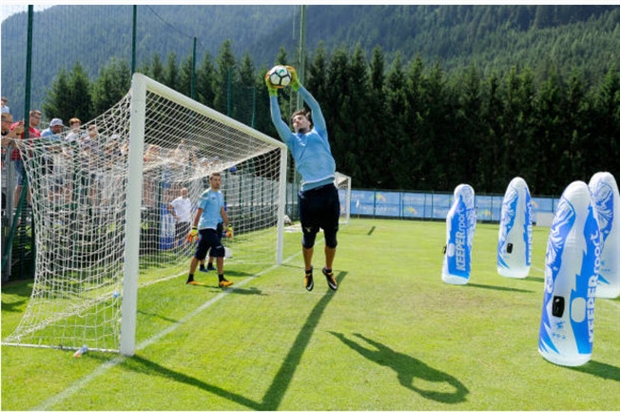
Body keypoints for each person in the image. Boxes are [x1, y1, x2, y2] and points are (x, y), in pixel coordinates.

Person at [266, 65, 339, 292]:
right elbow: (277, 120)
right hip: (308, 195)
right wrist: (272, 93)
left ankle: (328, 269)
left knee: (331, 239)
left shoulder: (320, 132)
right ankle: (308, 271)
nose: (296, 121)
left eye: (300, 118)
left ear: (308, 121)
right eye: (294, 120)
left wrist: (297, 86)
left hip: (329, 191)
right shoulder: (293, 141)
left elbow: (315, 106)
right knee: (308, 240)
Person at [186, 172, 233, 288]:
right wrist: (194, 228)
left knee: (199, 254)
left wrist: (229, 226)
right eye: (215, 180)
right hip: (206, 227)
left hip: (213, 227)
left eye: (219, 180)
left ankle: (190, 279)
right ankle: (221, 280)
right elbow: (198, 212)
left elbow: (222, 211)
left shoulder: (221, 195)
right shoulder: (206, 194)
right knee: (220, 250)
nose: (217, 182)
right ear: (210, 181)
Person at [11, 109, 42, 208]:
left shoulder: (36, 131)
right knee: (22, 181)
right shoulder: (20, 126)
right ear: (30, 117)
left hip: (31, 159)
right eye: (36, 118)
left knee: (29, 181)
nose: (38, 121)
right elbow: (15, 140)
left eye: (39, 118)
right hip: (19, 157)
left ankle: (28, 202)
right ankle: (16, 207)